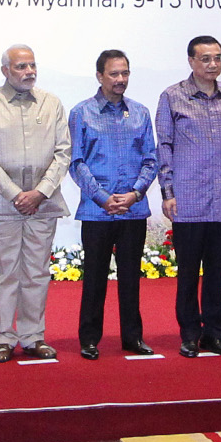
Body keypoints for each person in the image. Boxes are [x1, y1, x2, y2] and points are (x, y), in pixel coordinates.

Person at [157, 35, 221, 358]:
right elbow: (164, 147)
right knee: (187, 273)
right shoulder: (173, 97)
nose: (213, 64)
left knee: (216, 271)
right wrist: (167, 191)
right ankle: (188, 333)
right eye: (206, 59)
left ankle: (214, 333)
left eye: (217, 58)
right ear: (191, 62)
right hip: (187, 198)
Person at [0, 44, 71, 362]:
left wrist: (40, 192)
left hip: (42, 203)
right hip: (4, 203)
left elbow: (63, 152)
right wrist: (15, 193)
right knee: (4, 272)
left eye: (32, 65)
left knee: (36, 271)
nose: (29, 72)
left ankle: (32, 337)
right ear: (5, 70)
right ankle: (4, 338)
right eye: (21, 67)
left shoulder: (51, 103)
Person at [69, 49, 157, 360]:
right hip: (97, 211)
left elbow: (151, 160)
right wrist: (102, 197)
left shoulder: (141, 113)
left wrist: (135, 193)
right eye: (114, 74)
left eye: (125, 73)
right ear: (100, 76)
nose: (120, 80)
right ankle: (90, 339)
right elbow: (76, 162)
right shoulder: (82, 112)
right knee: (94, 278)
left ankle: (133, 338)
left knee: (131, 278)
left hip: (133, 209)